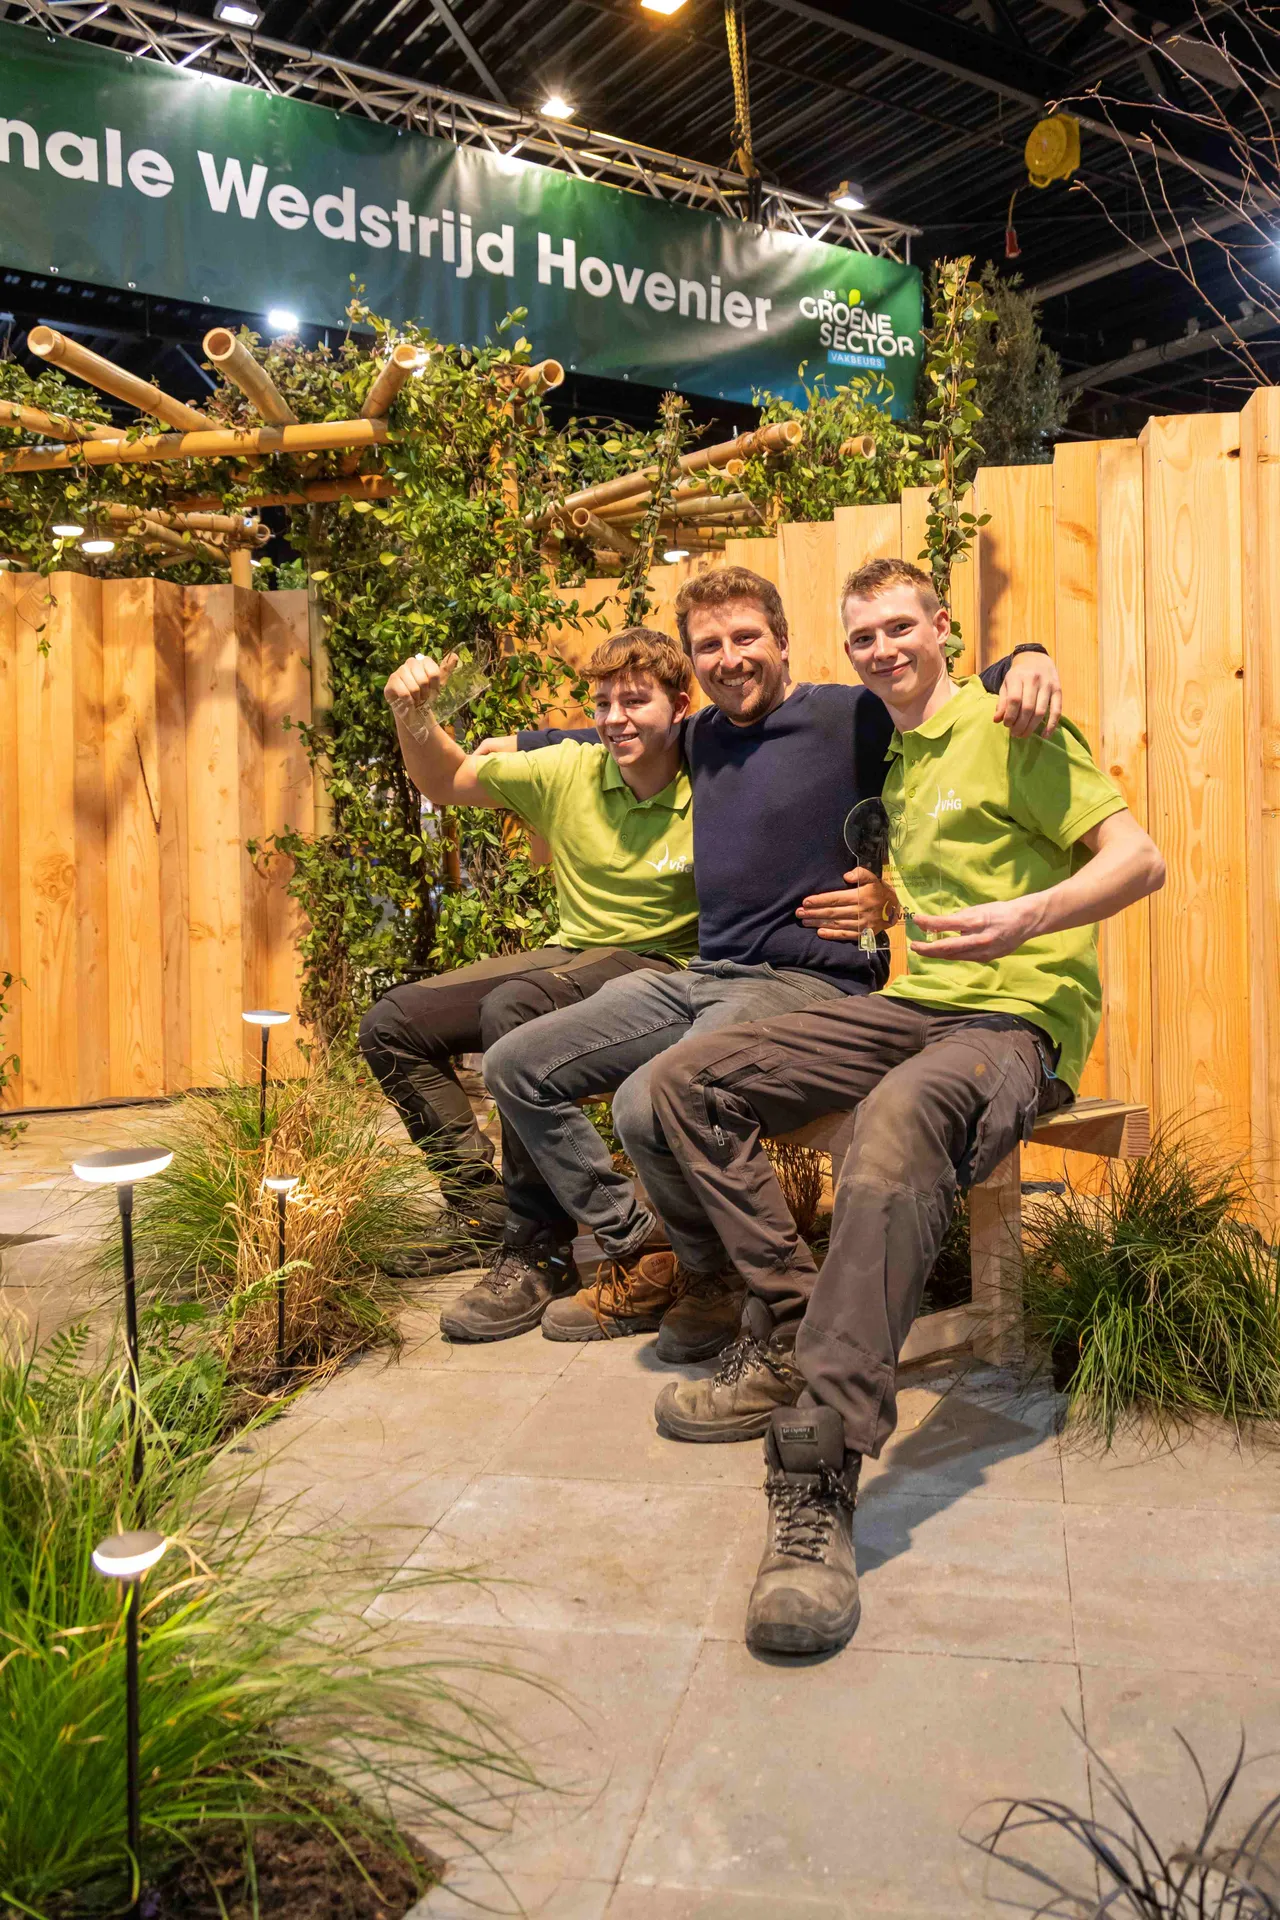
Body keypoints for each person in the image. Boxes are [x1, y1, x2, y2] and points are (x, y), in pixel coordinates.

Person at [632, 556, 1165, 1656]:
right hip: (909, 1001)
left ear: (939, 629)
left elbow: (1138, 859)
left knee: (891, 1128)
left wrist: (1031, 918)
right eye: (862, 635)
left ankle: (815, 1470)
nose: (882, 649)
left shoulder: (1011, 726)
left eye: (898, 628)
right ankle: (785, 1320)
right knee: (685, 1083)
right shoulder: (900, 750)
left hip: (1010, 1026)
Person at [480, 563, 1063, 1346]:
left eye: (745, 637)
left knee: (644, 1100)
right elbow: (618, 727)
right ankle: (651, 1250)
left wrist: (1028, 654)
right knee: (516, 1065)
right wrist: (524, 740)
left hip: (808, 982)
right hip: (702, 974)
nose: (730, 658)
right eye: (709, 645)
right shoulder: (701, 737)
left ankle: (729, 1285)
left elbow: (945, 685)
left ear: (782, 641)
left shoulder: (850, 716)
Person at [360, 627, 740, 1359]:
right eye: (603, 702)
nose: (616, 717)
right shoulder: (568, 768)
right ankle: (482, 1216)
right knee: (391, 1023)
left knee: (518, 1008)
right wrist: (413, 716)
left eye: (635, 700)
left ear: (682, 705)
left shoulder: (719, 777)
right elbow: (445, 781)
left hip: (666, 967)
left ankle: (539, 1249)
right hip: (574, 953)